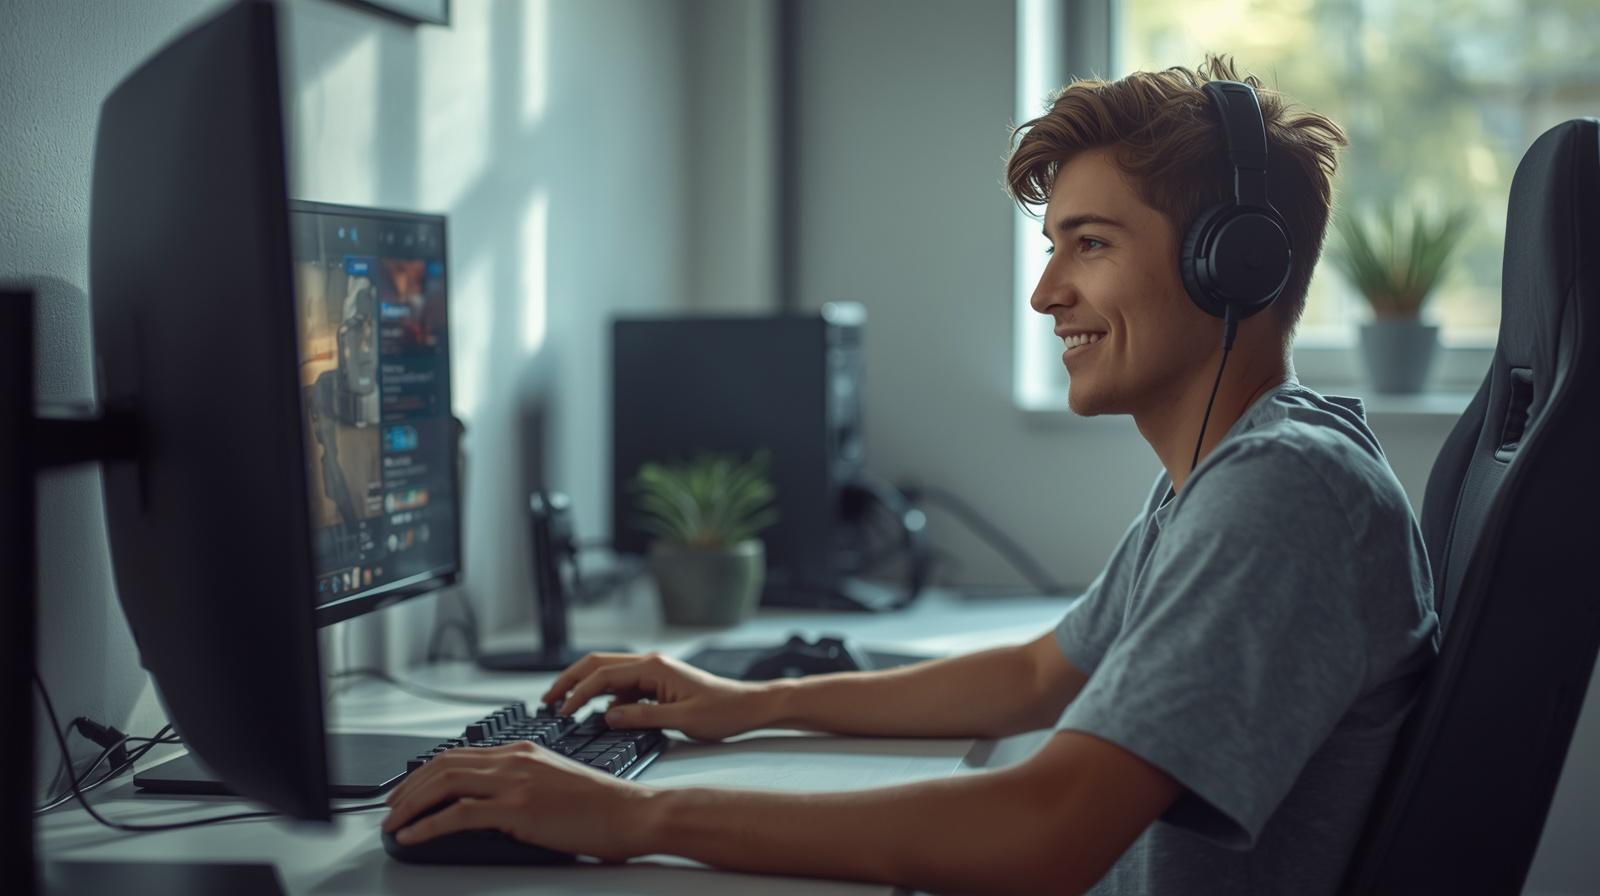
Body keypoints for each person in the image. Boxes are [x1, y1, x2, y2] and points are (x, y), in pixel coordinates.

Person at [382, 56, 1439, 895]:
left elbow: (1045, 830)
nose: (1045, 295)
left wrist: (631, 817)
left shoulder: (1280, 491)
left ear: (1232, 261)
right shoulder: (1232, 472)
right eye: (1050, 246)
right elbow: (1032, 676)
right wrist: (742, 702)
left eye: (1090, 244)